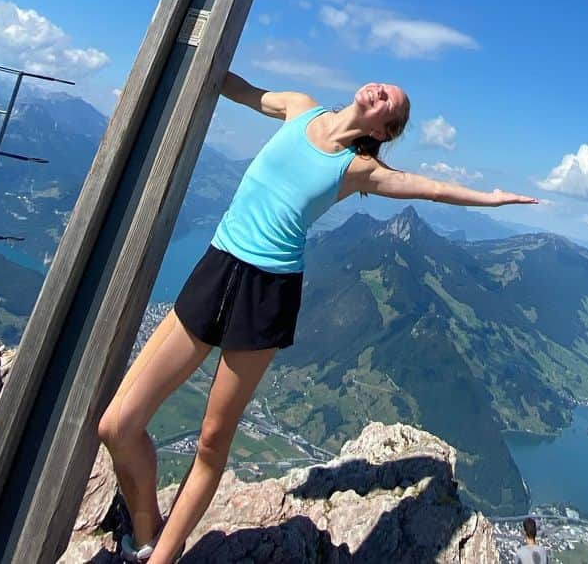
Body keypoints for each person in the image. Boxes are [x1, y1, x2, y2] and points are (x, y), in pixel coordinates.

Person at [98, 73, 539, 564]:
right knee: (116, 426)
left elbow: (430, 189)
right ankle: (147, 528)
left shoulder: (360, 169)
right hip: (217, 267)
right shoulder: (299, 107)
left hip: (269, 292)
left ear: (386, 129)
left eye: (391, 99)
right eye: (383, 83)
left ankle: (159, 555)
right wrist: (194, 56)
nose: (380, 89)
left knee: (211, 439)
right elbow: (237, 88)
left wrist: (493, 197)